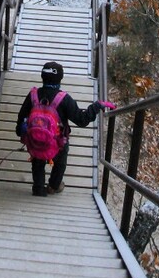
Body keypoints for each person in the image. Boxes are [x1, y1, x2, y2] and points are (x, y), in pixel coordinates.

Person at [16, 61, 107, 197]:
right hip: (57, 143)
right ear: (60, 78)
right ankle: (53, 185)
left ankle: (38, 188)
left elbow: (22, 116)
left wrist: (20, 131)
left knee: (37, 158)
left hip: (35, 140)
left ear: (42, 77)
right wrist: (96, 106)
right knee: (60, 161)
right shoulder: (64, 99)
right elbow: (81, 120)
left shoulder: (33, 95)